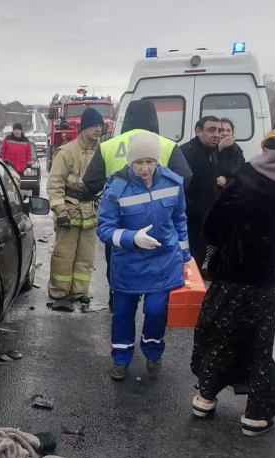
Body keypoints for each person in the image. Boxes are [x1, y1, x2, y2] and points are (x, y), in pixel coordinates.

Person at [190, 113, 275, 437]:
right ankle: (256, 417)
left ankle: (205, 398)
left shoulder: (249, 172)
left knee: (221, 339)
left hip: (233, 279)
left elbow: (214, 227)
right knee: (269, 350)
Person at [97, 131, 191, 381]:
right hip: (129, 263)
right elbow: (104, 229)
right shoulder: (116, 190)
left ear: (157, 161)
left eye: (150, 162)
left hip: (164, 260)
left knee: (157, 310)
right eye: (139, 162)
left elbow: (180, 219)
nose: (145, 168)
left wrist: (185, 255)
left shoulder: (173, 183)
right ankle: (121, 358)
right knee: (124, 312)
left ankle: (153, 352)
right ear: (130, 162)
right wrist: (132, 238)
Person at [82, 99, 193, 311]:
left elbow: (90, 181)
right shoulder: (166, 144)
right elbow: (185, 177)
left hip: (119, 222)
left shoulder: (108, 145)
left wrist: (110, 197)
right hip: (157, 225)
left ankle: (118, 304)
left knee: (118, 266)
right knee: (158, 274)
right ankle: (154, 311)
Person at [46, 108, 104, 305]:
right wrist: (60, 210)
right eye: (95, 125)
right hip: (69, 210)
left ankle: (80, 292)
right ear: (84, 128)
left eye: (100, 125)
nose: (99, 129)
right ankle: (59, 292)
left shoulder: (102, 151)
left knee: (85, 256)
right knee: (64, 254)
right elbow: (55, 183)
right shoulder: (66, 152)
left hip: (89, 209)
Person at [181, 115, 222, 269]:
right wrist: (195, 212)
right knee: (189, 263)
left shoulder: (211, 152)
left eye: (219, 130)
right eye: (211, 130)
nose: (216, 134)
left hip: (204, 221)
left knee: (198, 260)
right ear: (198, 131)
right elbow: (178, 189)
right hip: (188, 222)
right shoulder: (186, 153)